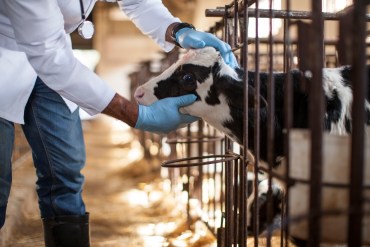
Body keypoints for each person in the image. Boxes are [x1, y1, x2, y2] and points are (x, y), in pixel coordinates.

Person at [0, 0, 238, 246]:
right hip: (6, 55)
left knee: (66, 169)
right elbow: (50, 57)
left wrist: (178, 30)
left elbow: (137, 1)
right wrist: (136, 115)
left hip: (51, 55)